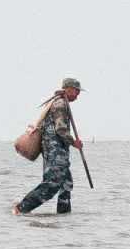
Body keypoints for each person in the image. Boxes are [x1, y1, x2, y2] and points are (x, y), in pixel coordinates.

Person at [15, 79, 83, 215]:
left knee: (66, 183)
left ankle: (64, 216)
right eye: (77, 91)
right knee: (52, 183)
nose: (78, 95)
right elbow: (60, 128)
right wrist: (73, 142)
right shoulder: (59, 103)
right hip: (54, 151)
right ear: (69, 89)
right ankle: (20, 209)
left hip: (60, 152)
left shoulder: (58, 101)